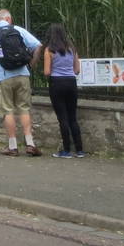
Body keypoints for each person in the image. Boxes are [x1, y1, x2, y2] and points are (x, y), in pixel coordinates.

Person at [0, 9, 42, 156]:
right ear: (8, 19)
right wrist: (31, 63)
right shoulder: (18, 30)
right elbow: (38, 46)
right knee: (24, 109)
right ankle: (30, 144)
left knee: (8, 111)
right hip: (22, 75)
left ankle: (12, 147)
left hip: (2, 77)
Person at [41, 23, 85, 158]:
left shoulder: (49, 50)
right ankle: (79, 150)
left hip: (57, 84)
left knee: (62, 118)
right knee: (73, 117)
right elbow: (77, 70)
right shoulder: (72, 49)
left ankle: (66, 150)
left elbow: (47, 72)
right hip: (71, 83)